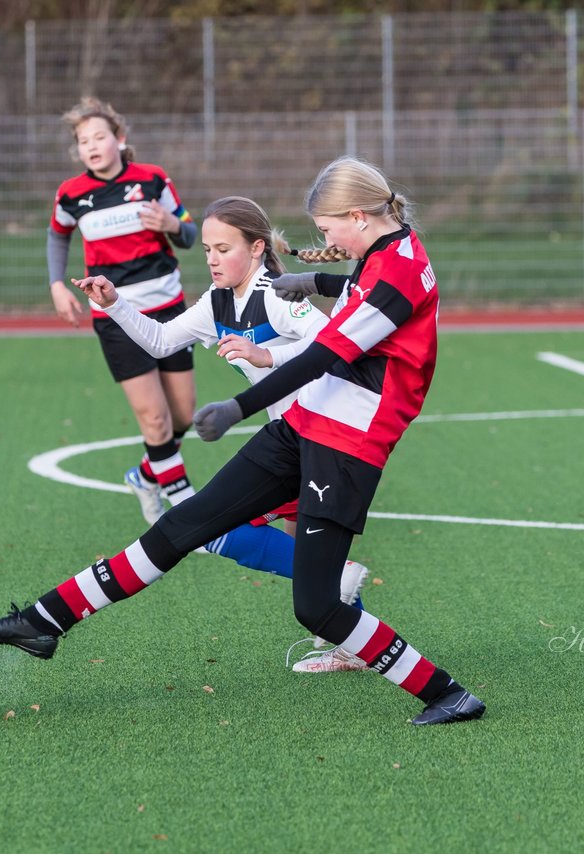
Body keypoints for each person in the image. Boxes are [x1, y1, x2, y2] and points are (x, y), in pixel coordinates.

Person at [0, 157, 486, 726]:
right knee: (181, 526)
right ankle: (43, 622)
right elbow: (361, 295)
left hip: (349, 439)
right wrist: (315, 280)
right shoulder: (390, 251)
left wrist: (239, 404)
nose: (325, 238)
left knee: (316, 607)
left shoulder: (395, 271)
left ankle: (446, 693)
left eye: (328, 227)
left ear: (358, 217)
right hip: (308, 422)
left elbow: (322, 355)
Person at [75, 194, 370, 673]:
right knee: (304, 559)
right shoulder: (217, 303)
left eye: (224, 248)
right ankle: (351, 637)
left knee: (221, 532)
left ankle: (344, 591)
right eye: (207, 248)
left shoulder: (273, 293)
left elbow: (330, 342)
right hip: (293, 438)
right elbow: (160, 340)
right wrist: (113, 304)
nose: (212, 258)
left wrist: (266, 356)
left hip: (326, 436)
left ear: (256, 249)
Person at [46, 98, 199, 525]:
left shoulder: (153, 180)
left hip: (169, 311)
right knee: (154, 418)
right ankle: (186, 512)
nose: (91, 146)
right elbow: (57, 237)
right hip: (115, 317)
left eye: (99, 137)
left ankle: (145, 475)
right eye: (82, 141)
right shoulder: (70, 193)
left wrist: (172, 226)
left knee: (182, 415)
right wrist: (57, 284)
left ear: (120, 139)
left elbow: (189, 231)